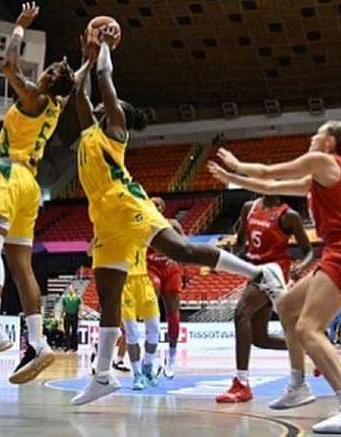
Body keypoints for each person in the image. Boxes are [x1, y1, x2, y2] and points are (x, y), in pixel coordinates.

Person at [70, 29, 286, 406]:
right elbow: (80, 93)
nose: (104, 106)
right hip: (102, 217)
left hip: (125, 202)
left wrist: (103, 46)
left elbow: (104, 80)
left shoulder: (115, 128)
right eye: (103, 105)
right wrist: (85, 58)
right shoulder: (89, 129)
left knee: (181, 250)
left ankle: (259, 274)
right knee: (107, 297)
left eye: (109, 104)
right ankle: (103, 375)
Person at [209, 120, 341, 433]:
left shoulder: (325, 161)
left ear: (329, 142)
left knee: (308, 328)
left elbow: (272, 172)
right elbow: (270, 188)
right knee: (286, 306)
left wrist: (237, 163)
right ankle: (298, 385)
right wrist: (231, 177)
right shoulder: (318, 179)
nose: (312, 137)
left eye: (318, 133)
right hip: (340, 250)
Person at [0, 2, 79, 386]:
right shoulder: (57, 103)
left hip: (8, 175)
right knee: (21, 266)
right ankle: (37, 343)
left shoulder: (35, 98)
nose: (46, 71)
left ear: (49, 81)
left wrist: (20, 28)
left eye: (51, 70)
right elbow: (74, 82)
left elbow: (9, 65)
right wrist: (91, 57)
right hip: (31, 186)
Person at [216, 195, 314, 403]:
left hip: (274, 270)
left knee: (241, 313)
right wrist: (230, 254)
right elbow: (242, 242)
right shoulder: (249, 208)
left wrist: (302, 266)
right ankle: (311, 348)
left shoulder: (289, 216)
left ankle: (241, 383)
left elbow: (309, 251)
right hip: (255, 270)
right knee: (260, 339)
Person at [147, 197, 185, 379]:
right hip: (151, 267)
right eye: (152, 203)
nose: (155, 206)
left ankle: (172, 356)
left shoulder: (173, 224)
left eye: (158, 204)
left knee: (173, 313)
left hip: (171, 268)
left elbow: (184, 246)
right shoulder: (142, 225)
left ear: (163, 208)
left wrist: (176, 257)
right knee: (151, 311)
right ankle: (152, 356)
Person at [121, 246, 162, 391]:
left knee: (155, 329)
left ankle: (148, 366)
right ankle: (137, 374)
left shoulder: (143, 228)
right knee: (132, 334)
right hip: (125, 283)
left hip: (144, 281)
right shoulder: (116, 232)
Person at [62, 284, 81, 352]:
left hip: (74, 315)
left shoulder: (77, 298)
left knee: (74, 332)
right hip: (67, 315)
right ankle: (67, 346)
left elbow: (80, 307)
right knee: (66, 331)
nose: (70, 290)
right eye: (69, 289)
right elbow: (63, 307)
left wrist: (79, 314)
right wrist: (61, 316)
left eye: (71, 289)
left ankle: (74, 347)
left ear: (73, 290)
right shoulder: (65, 298)